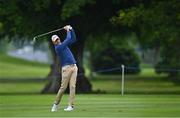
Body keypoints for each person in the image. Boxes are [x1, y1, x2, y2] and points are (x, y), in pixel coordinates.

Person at [51, 25, 78, 112]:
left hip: (74, 66)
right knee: (63, 87)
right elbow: (68, 38)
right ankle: (55, 104)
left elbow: (73, 39)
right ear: (54, 43)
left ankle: (71, 106)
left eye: (57, 39)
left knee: (73, 86)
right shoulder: (58, 48)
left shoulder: (63, 44)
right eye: (55, 40)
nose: (57, 41)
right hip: (66, 68)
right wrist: (67, 30)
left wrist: (71, 29)